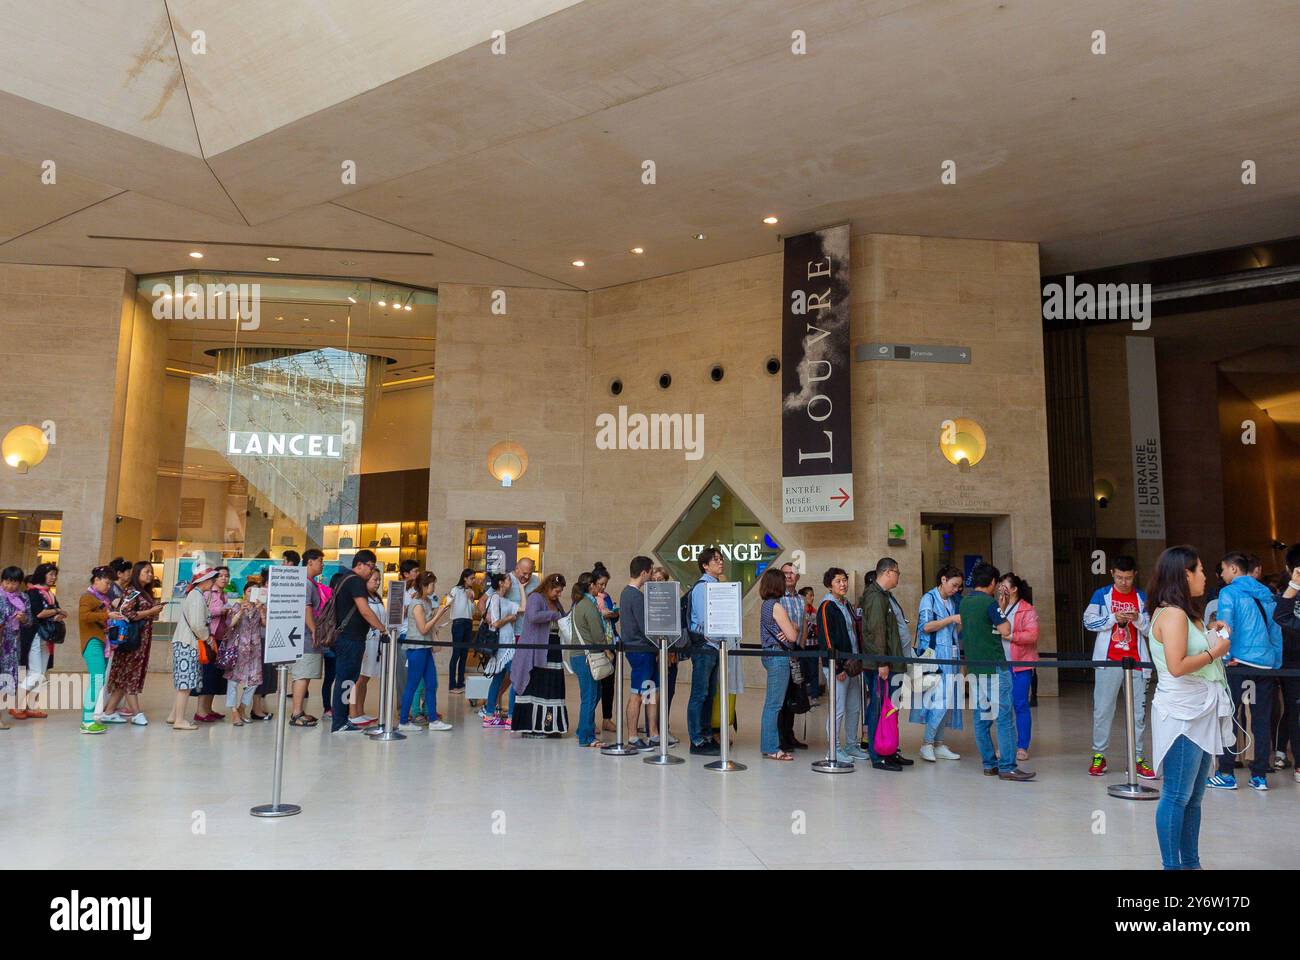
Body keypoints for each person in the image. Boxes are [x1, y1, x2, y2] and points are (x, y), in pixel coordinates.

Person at [1147, 545, 1233, 870]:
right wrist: (1217, 651)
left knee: (1193, 798)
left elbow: (1187, 649)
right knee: (1176, 795)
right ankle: (1174, 866)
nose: (1204, 576)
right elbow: (1177, 665)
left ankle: (1191, 864)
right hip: (1182, 712)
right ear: (1184, 574)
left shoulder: (1188, 614)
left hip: (1197, 708)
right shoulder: (1172, 614)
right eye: (1198, 569)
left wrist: (1211, 634)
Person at [1207, 551, 1283, 791]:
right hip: (1265, 665)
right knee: (1261, 721)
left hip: (1238, 663)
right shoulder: (1267, 595)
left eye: (1223, 569)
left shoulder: (1229, 592)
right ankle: (1260, 775)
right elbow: (1276, 631)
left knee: (1229, 717)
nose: (1221, 574)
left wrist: (1225, 656)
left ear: (1234, 569)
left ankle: (1227, 773)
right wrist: (1275, 663)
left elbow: (1225, 625)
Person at [962, 562, 1034, 781]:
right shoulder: (988, 603)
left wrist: (999, 608)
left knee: (981, 717)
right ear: (992, 582)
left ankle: (989, 764)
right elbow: (1005, 630)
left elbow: (983, 626)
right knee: (1004, 717)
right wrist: (1000, 609)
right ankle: (1008, 766)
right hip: (995, 666)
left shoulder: (965, 602)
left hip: (975, 668)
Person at [1083, 555, 1154, 778]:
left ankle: (1137, 757)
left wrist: (1137, 619)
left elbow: (1151, 629)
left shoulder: (1142, 597)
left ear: (1135, 575)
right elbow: (1088, 621)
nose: (1124, 582)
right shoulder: (1102, 595)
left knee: (1138, 713)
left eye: (1128, 578)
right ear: (1112, 573)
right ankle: (1099, 755)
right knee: (1103, 710)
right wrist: (1113, 618)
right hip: (1109, 661)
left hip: (1137, 662)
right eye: (1120, 577)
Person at [329, 551, 388, 733]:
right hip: (350, 639)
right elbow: (365, 610)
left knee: (348, 680)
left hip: (348, 638)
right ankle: (340, 722)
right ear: (360, 564)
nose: (371, 571)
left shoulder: (346, 579)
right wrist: (382, 628)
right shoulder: (355, 581)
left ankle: (343, 719)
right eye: (370, 566)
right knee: (346, 680)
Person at [859, 558, 910, 770]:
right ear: (888, 572)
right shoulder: (875, 597)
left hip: (892, 662)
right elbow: (877, 632)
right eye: (897, 572)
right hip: (882, 665)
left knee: (890, 709)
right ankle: (878, 753)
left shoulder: (885, 596)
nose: (899, 576)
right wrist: (882, 662)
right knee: (879, 709)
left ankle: (889, 749)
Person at [101, 561, 164, 725]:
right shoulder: (133, 591)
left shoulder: (144, 592)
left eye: (151, 572)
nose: (150, 575)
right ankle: (136, 714)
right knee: (130, 675)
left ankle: (109, 711)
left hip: (141, 640)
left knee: (124, 677)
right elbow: (126, 612)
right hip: (132, 641)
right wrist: (150, 611)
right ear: (138, 573)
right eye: (146, 572)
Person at [911, 565, 964, 762]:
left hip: (950, 655)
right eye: (954, 585)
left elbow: (951, 632)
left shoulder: (950, 601)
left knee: (947, 701)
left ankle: (939, 743)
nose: (956, 589)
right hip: (935, 658)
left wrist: (958, 624)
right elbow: (925, 626)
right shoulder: (929, 598)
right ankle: (927, 743)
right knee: (939, 701)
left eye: (958, 587)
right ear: (943, 580)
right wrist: (951, 619)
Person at [511, 572, 568, 737]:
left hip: (553, 650)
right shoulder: (536, 597)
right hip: (537, 652)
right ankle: (532, 727)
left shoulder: (555, 602)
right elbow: (533, 616)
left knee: (551, 689)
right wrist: (554, 615)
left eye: (560, 591)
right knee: (535, 688)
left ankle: (549, 726)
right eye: (557, 591)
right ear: (549, 587)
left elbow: (562, 617)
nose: (558, 594)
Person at [816, 567, 863, 764]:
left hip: (852, 664)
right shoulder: (827, 606)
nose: (843, 584)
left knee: (854, 707)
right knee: (838, 708)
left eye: (844, 580)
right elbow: (827, 640)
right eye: (838, 581)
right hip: (838, 666)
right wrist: (837, 668)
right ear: (829, 585)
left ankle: (851, 744)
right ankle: (832, 748)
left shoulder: (846, 605)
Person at [683, 547, 726, 755]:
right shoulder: (702, 588)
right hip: (704, 646)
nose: (720, 562)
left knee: (710, 694)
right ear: (705, 565)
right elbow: (703, 619)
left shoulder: (716, 585)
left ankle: (707, 734)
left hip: (715, 646)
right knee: (699, 694)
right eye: (715, 560)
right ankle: (696, 739)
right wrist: (718, 635)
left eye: (720, 559)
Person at [168, 564, 219, 731]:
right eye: (211, 579)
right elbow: (197, 624)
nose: (213, 582)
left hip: (184, 642)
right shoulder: (196, 597)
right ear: (204, 581)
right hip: (188, 643)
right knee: (185, 684)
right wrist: (207, 638)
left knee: (184, 682)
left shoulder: (195, 595)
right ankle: (180, 720)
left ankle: (174, 715)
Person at [399, 572, 453, 731]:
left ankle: (433, 720)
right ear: (424, 586)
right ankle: (403, 721)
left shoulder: (427, 601)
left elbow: (432, 620)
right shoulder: (417, 604)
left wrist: (444, 607)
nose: (434, 587)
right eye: (432, 584)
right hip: (416, 649)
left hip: (426, 647)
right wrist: (440, 613)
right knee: (412, 685)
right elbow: (423, 628)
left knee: (432, 683)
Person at [757, 567, 800, 760]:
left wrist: (791, 626)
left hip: (770, 654)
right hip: (778, 656)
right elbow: (792, 636)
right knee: (774, 704)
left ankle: (770, 745)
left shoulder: (766, 605)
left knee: (773, 703)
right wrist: (794, 627)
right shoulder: (776, 606)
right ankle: (771, 747)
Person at [999, 572, 1039, 762]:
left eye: (1004, 585)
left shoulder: (1027, 610)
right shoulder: (998, 607)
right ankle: (1007, 745)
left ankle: (1022, 746)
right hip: (1001, 663)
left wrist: (1012, 636)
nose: (1001, 588)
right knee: (1003, 706)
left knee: (1020, 704)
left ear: (1014, 589)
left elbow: (1033, 635)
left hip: (1021, 664)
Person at [619, 556, 659, 749]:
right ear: (643, 572)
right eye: (651, 572)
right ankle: (633, 736)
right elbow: (646, 627)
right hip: (641, 650)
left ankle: (654, 733)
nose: (651, 576)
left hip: (642, 649)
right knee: (637, 693)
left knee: (650, 690)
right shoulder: (635, 595)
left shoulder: (626, 593)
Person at [1270, 544, 1300, 783]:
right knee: (1295, 713)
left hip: (1291, 664)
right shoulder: (1290, 594)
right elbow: (1280, 616)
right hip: (1292, 666)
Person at [18, 562, 64, 718]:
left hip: (47, 637)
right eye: (50, 574)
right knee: (36, 673)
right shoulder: (33, 593)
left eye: (54, 574)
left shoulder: (49, 593)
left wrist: (58, 614)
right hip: (35, 636)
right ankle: (15, 704)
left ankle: (30, 706)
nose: (53, 577)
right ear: (42, 574)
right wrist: (56, 611)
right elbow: (39, 613)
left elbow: (53, 611)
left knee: (41, 673)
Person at [570, 571, 610, 748]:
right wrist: (607, 649)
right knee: (590, 696)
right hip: (587, 656)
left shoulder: (579, 604)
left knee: (591, 694)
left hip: (579, 656)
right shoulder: (588, 605)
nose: (600, 589)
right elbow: (597, 633)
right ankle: (586, 736)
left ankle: (583, 728)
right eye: (598, 585)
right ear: (591, 586)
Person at [290, 549, 326, 727]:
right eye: (320, 560)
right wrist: (314, 630)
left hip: (303, 635)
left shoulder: (309, 582)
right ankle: (296, 713)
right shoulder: (306, 584)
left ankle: (298, 710)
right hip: (305, 637)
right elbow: (306, 608)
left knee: (304, 673)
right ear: (310, 562)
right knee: (303, 673)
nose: (322, 564)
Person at [221, 582, 265, 725]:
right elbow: (229, 624)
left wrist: (262, 611)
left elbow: (266, 625)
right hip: (238, 649)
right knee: (233, 680)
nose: (251, 594)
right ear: (244, 593)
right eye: (249, 591)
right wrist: (240, 611)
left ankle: (242, 708)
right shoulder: (236, 606)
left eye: (254, 592)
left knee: (254, 681)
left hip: (255, 649)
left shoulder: (261, 608)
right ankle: (233, 711)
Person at [481, 572, 521, 727]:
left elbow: (523, 607)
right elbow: (495, 623)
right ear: (501, 583)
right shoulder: (495, 599)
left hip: (507, 644)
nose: (511, 582)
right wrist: (510, 618)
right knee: (514, 677)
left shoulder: (507, 601)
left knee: (498, 680)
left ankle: (489, 715)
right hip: (502, 645)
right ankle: (510, 716)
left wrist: (522, 588)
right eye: (509, 580)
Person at [191, 566, 232, 722]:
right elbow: (204, 613)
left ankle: (208, 708)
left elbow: (226, 618)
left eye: (226, 576)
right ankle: (200, 711)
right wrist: (220, 611)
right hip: (209, 638)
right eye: (221, 575)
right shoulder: (207, 593)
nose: (224, 578)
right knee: (206, 674)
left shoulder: (225, 595)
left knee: (215, 675)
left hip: (221, 638)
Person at [351, 566, 385, 727]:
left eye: (379, 580)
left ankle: (360, 710)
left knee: (365, 678)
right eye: (374, 580)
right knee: (358, 679)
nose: (377, 583)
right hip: (364, 641)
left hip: (375, 643)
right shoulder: (362, 598)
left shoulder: (376, 597)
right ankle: (352, 711)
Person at [1, 567, 32, 727]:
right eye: (7, 582)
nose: (10, 586)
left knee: (8, 680)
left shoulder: (24, 598)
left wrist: (23, 618)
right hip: (1, 642)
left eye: (14, 583)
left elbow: (29, 622)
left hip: (13, 644)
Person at [591, 563, 620, 733]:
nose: (603, 587)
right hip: (597, 642)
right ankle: (590, 718)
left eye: (605, 584)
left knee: (609, 683)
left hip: (610, 639)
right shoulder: (589, 597)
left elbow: (612, 618)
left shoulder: (606, 596)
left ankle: (607, 718)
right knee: (595, 685)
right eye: (600, 584)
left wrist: (614, 614)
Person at [447, 568, 476, 694]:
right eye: (471, 578)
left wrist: (471, 599)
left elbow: (473, 611)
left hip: (468, 622)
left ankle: (460, 682)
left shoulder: (472, 592)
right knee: (456, 654)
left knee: (464, 654)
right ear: (465, 578)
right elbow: (448, 602)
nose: (473, 580)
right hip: (458, 622)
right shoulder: (455, 590)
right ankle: (452, 684)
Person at [799, 585, 820, 703]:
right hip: (802, 646)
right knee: (802, 671)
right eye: (810, 596)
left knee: (814, 671)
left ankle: (814, 696)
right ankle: (802, 696)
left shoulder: (815, 611)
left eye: (813, 595)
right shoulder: (800, 611)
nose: (812, 598)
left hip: (814, 645)